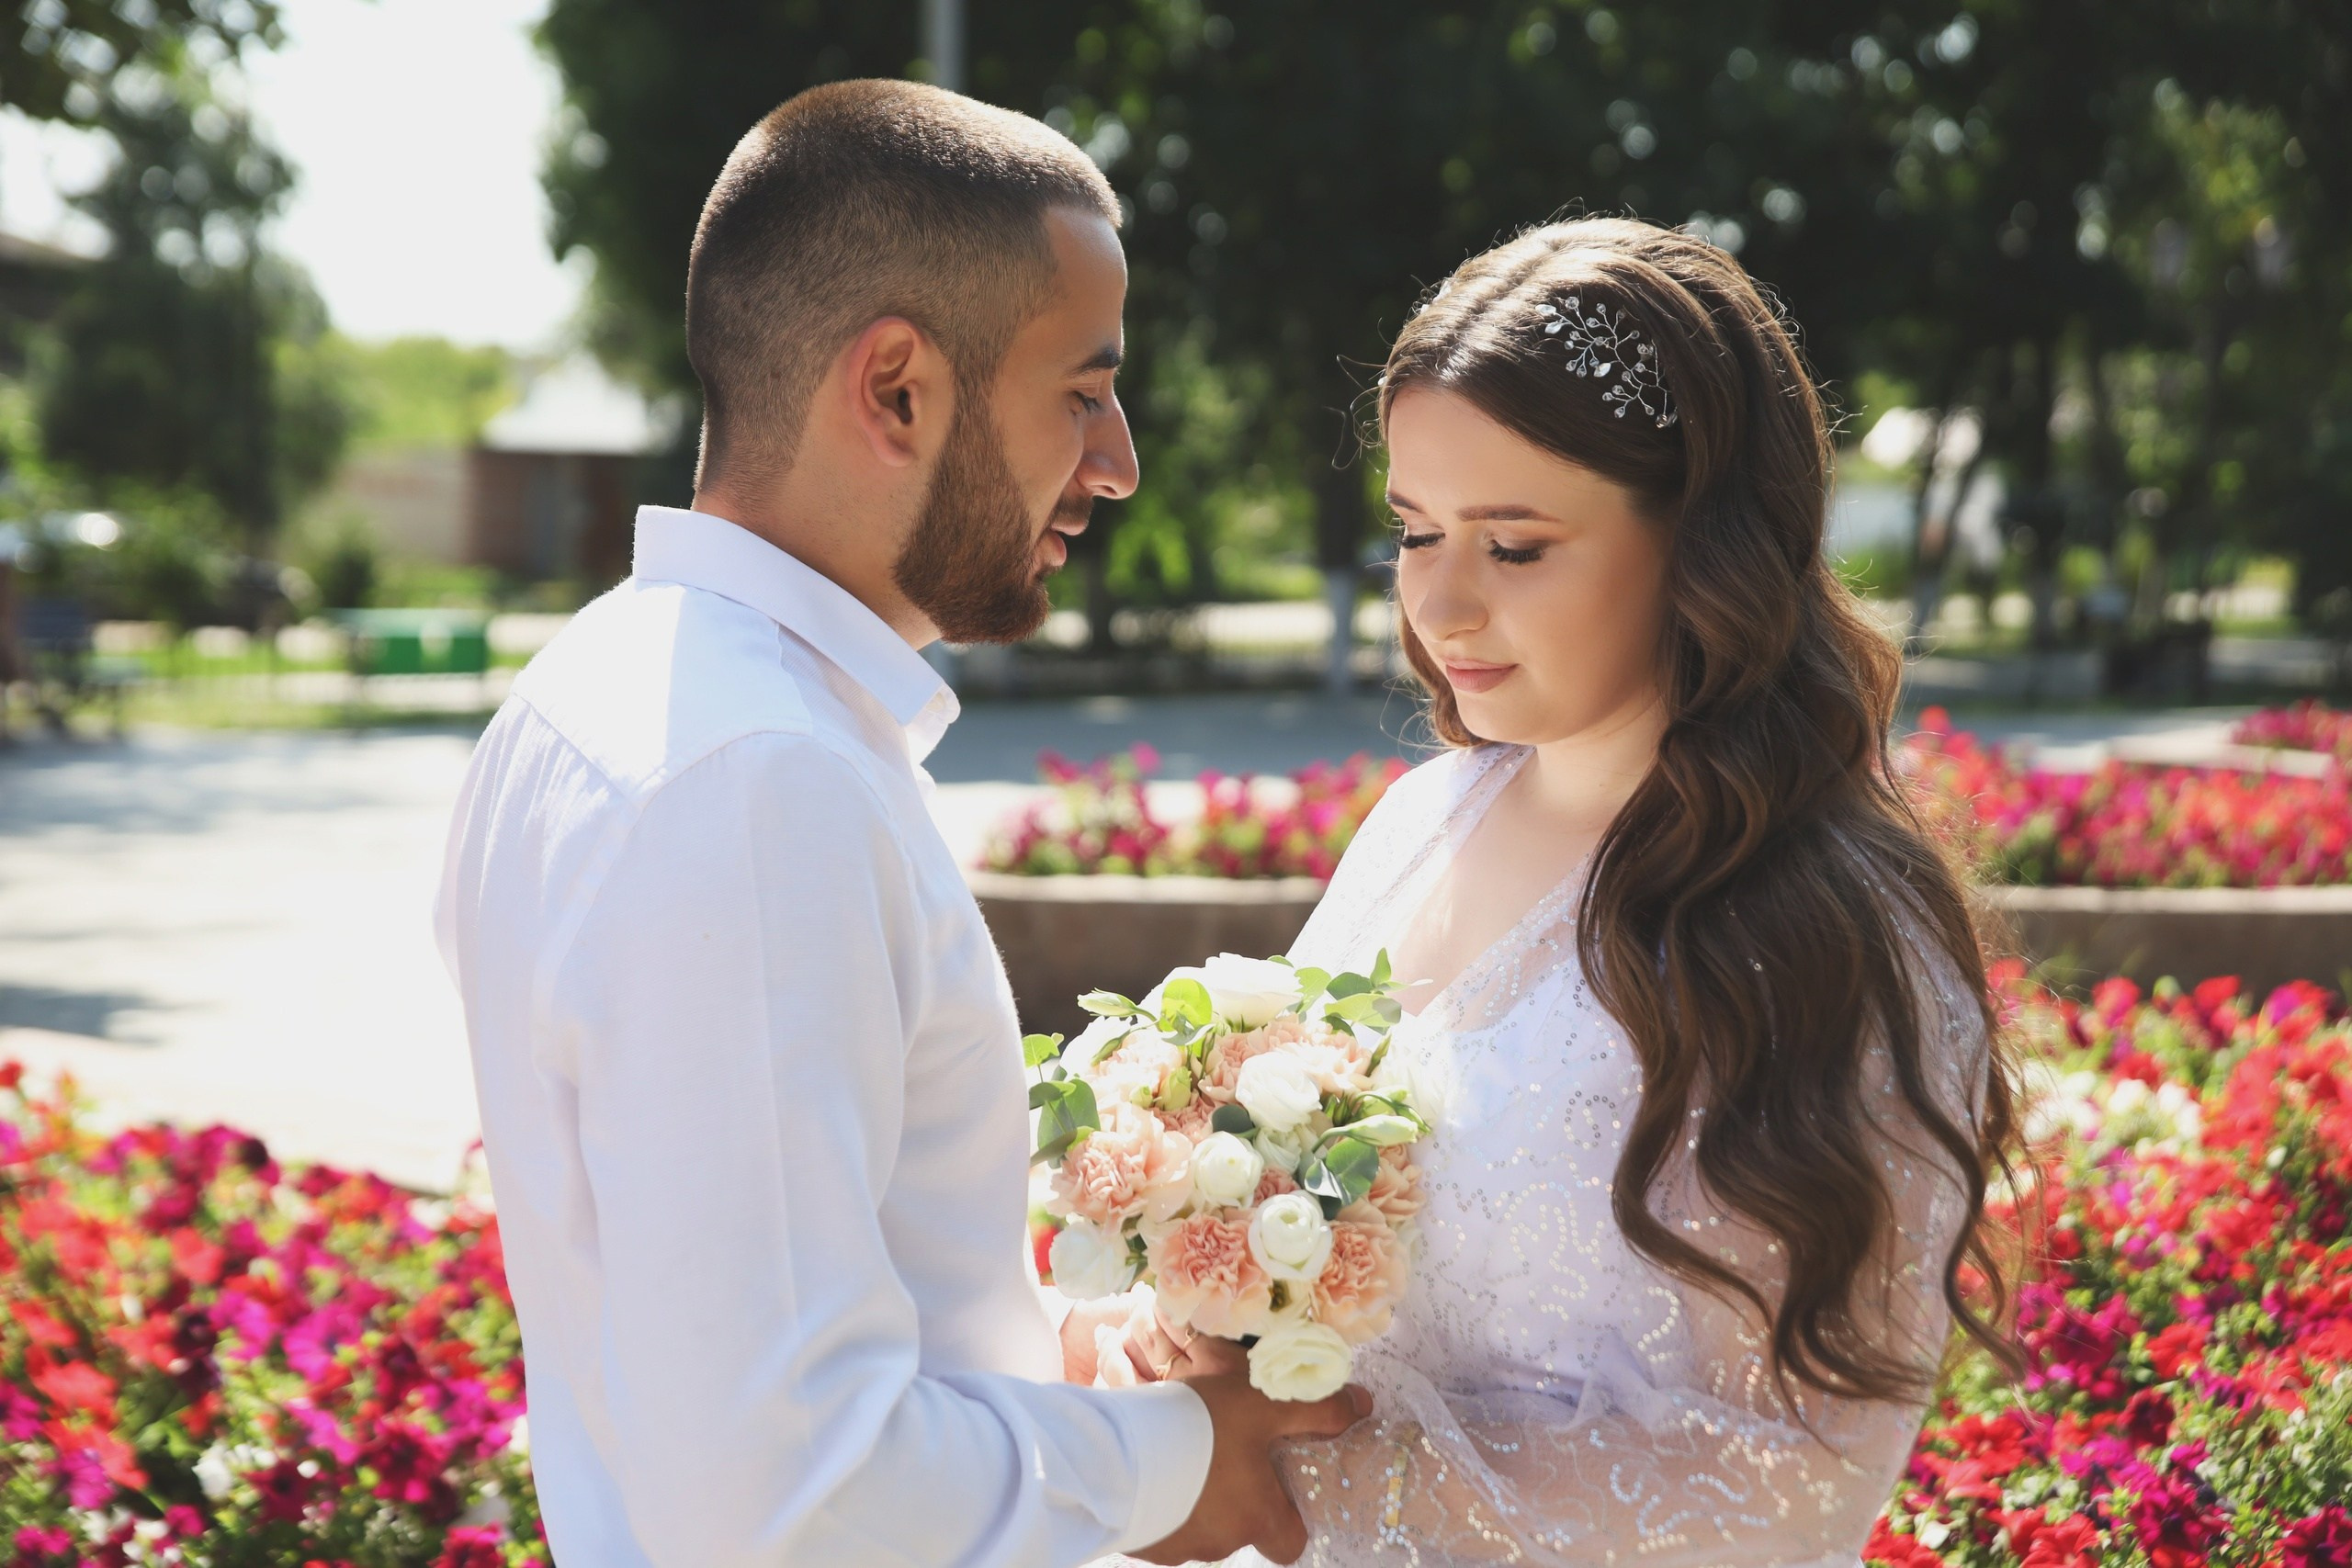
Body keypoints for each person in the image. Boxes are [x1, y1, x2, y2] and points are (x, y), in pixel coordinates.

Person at [435, 79, 1364, 1568]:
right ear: (897, 390)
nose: (1118, 460)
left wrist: (1060, 1351)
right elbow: (791, 1498)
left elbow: (771, 1324)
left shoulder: (601, 695)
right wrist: (1176, 1457)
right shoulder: (754, 783)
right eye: (1083, 390)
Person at [1119, 217, 2024, 1565]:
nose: (1443, 605)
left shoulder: (1825, 926)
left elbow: (1788, 1483)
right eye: (1416, 532)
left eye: (1516, 545)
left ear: (1701, 539)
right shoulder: (1425, 817)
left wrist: (1299, 1487)